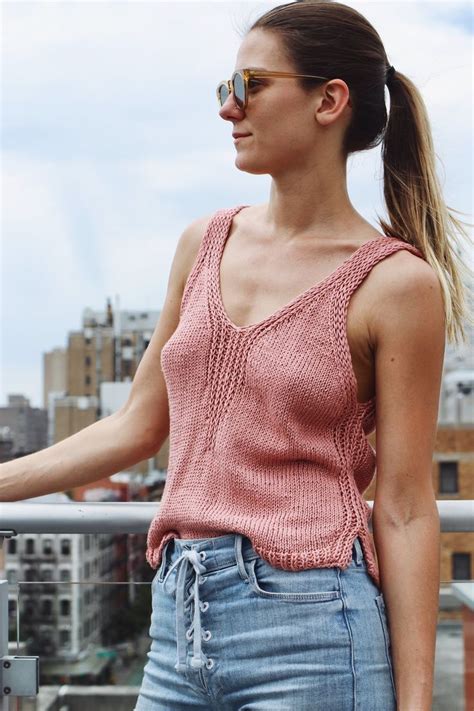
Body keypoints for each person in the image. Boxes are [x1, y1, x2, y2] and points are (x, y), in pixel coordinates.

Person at [1, 1, 470, 709]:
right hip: (175, 628)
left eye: (249, 84)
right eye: (225, 88)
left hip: (316, 628)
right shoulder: (203, 243)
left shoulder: (396, 285)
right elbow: (136, 424)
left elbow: (404, 507)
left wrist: (416, 703)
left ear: (329, 100)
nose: (228, 108)